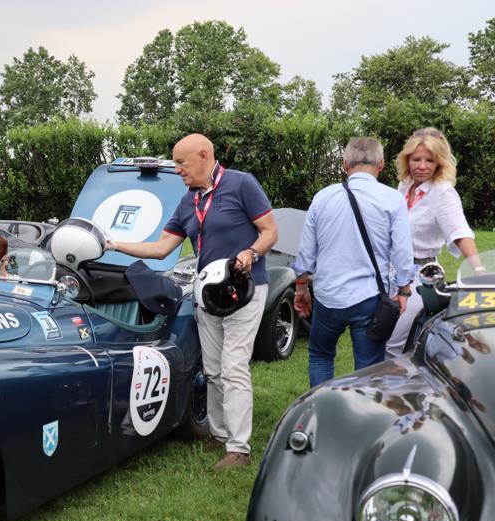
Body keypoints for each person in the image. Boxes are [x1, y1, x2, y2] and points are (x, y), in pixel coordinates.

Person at [106, 133, 279, 471]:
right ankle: (218, 432)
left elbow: (269, 230)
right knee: (212, 369)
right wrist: (114, 244)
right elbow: (160, 248)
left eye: (181, 162)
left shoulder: (242, 184)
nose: (178, 169)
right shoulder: (188, 201)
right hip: (207, 296)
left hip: (244, 291)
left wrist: (251, 252)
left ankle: (239, 448)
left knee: (233, 367)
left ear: (203, 155)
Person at [292, 138, 414, 388]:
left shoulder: (323, 197)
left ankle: (322, 410)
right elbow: (402, 251)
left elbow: (306, 252)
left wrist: (301, 288)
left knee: (320, 356)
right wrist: (403, 289)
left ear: (345, 164)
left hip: (327, 296)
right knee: (368, 367)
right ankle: (362, 419)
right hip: (369, 297)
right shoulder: (392, 199)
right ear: (380, 165)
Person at [386, 127, 483, 356]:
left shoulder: (443, 192)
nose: (421, 166)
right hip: (390, 271)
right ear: (406, 159)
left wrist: (478, 269)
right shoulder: (404, 186)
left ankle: (393, 389)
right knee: (378, 334)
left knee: (394, 344)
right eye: (416, 159)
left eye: (429, 161)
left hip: (419, 277)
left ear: (439, 163)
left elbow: (460, 232)